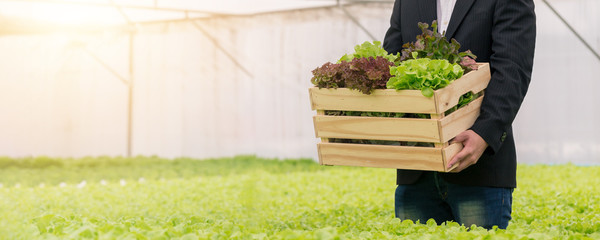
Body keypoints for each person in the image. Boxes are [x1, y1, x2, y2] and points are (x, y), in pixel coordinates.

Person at [382, 0, 536, 229]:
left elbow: (512, 69)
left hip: (478, 168)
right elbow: (391, 63)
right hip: (416, 171)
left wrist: (484, 134)